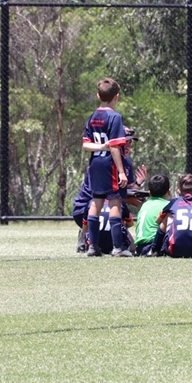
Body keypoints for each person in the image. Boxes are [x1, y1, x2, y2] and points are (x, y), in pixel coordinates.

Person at [82, 77, 131, 257]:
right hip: (110, 165)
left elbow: (86, 145)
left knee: (96, 201)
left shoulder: (92, 117)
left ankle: (93, 247)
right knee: (115, 201)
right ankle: (118, 247)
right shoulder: (115, 117)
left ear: (98, 96)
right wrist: (121, 172)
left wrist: (100, 147)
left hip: (95, 164)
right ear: (116, 97)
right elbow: (115, 146)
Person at [133, 173, 171, 256]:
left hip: (140, 247)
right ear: (169, 191)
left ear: (149, 192)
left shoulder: (145, 205)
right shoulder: (167, 205)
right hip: (154, 245)